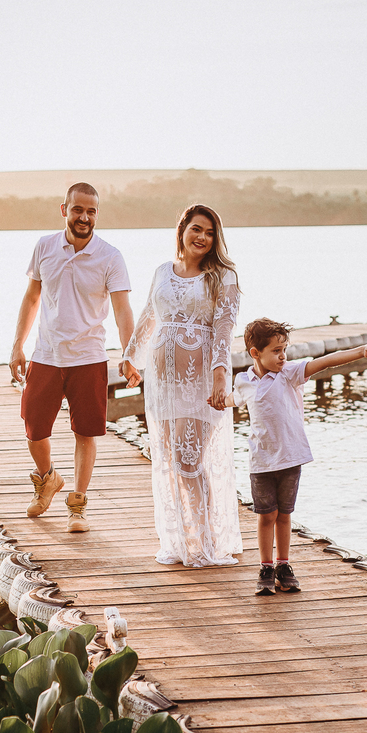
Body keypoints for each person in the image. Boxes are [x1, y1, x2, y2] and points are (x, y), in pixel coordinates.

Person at [227, 318, 367, 595]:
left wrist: (361, 351)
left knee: (284, 515)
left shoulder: (289, 373)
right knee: (266, 516)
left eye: (284, 349)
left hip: (291, 459)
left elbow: (325, 361)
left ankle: (283, 566)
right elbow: (233, 399)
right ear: (255, 353)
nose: (283, 356)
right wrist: (218, 400)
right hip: (261, 462)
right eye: (276, 351)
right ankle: (266, 568)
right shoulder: (244, 381)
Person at [120, 204, 241, 567]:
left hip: (199, 383)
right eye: (196, 229)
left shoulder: (223, 276)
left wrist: (219, 377)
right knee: (172, 459)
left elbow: (224, 330)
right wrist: (130, 357)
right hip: (163, 384)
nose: (202, 237)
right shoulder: (162, 271)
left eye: (210, 233)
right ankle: (181, 539)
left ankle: (205, 542)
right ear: (182, 230)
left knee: (190, 461)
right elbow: (148, 315)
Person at [10, 183, 134, 533]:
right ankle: (48, 478)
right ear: (64, 209)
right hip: (46, 354)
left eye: (91, 211)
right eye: (78, 209)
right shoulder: (45, 246)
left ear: (97, 214)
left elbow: (123, 310)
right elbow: (32, 297)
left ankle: (77, 506)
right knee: (34, 427)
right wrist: (18, 345)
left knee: (85, 433)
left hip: (89, 356)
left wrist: (129, 354)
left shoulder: (110, 256)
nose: (84, 217)